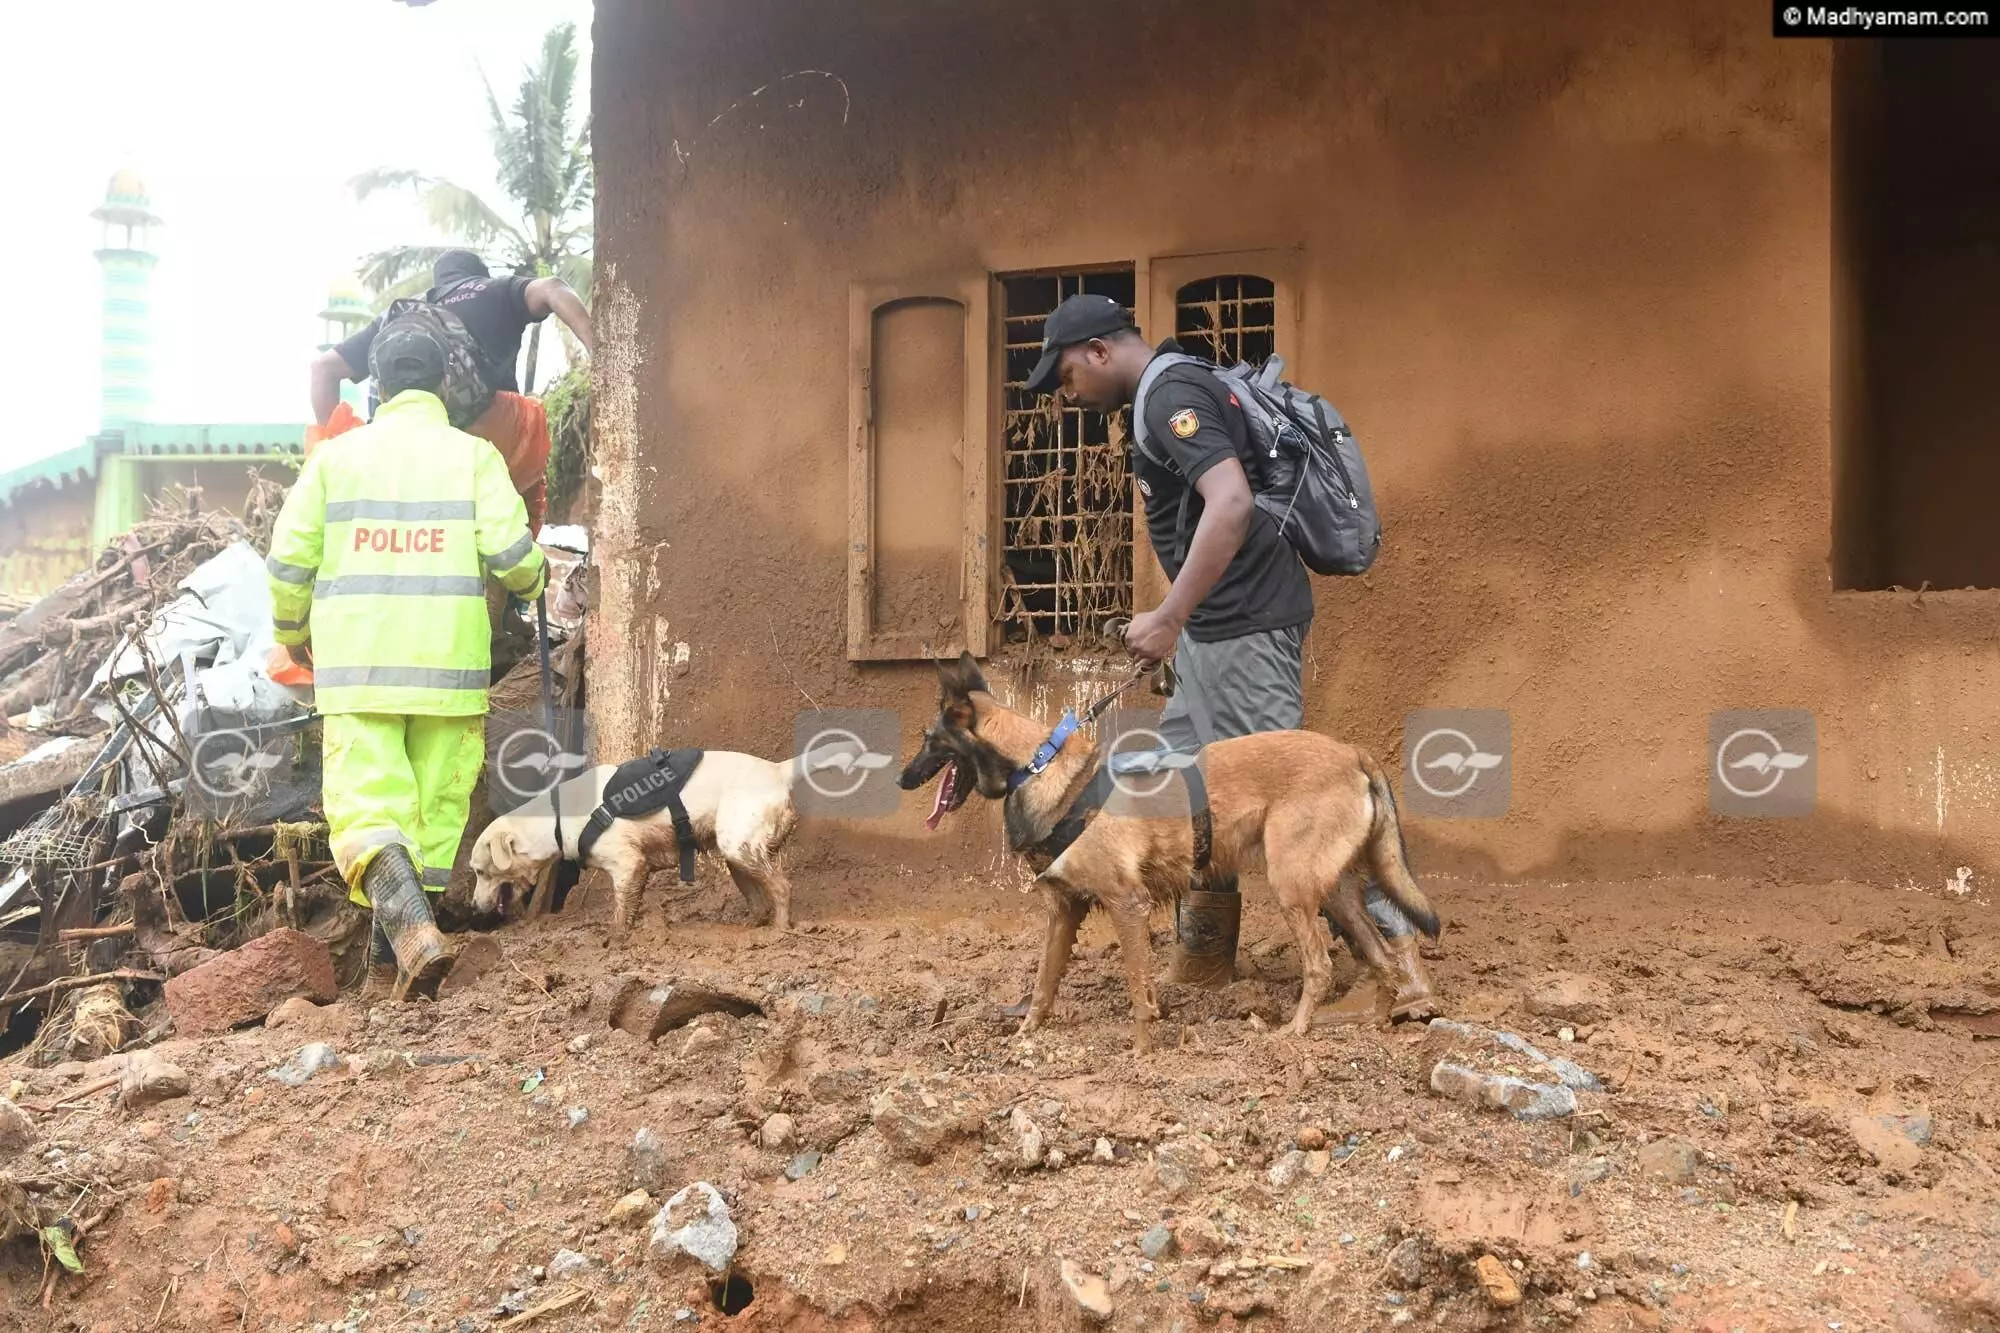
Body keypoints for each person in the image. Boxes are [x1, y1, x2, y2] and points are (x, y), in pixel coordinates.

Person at [1024, 293, 1436, 1024]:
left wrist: (1171, 614)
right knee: (1181, 798)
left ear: (1096, 351)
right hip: (1217, 637)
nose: (1066, 393)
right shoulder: (1167, 391)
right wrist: (1183, 631)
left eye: (1062, 376)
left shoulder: (1169, 396)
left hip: (1243, 631)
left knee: (1298, 800)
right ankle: (1205, 959)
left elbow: (1231, 502)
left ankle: (1399, 976)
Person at [269, 326, 549, 1001]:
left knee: (370, 816)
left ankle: (406, 953)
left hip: (360, 672)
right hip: (449, 679)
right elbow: (515, 558)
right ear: (444, 387)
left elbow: (288, 564)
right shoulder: (474, 457)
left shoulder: (335, 459)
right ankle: (390, 972)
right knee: (425, 825)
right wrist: (537, 580)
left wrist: (295, 630)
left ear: (380, 388)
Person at [307, 249, 594, 534]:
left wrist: (342, 455)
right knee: (528, 425)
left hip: (405, 450)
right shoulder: (496, 289)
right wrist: (601, 354)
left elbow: (323, 369)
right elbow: (553, 288)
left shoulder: (399, 314)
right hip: (493, 439)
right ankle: (518, 557)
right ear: (477, 275)